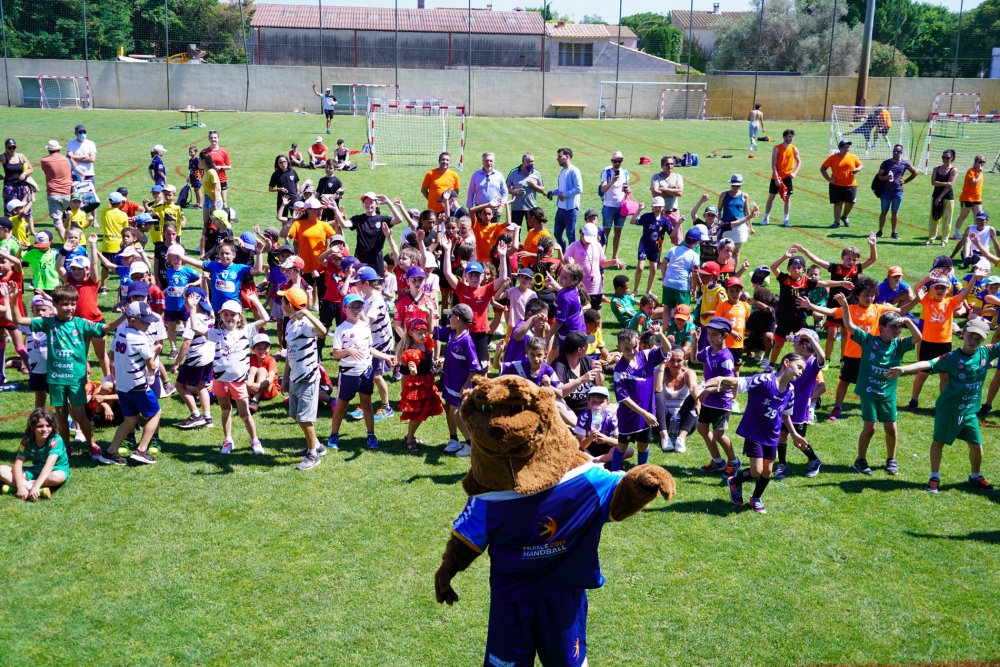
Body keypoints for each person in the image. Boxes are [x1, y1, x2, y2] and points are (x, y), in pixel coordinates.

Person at [3, 282, 121, 452]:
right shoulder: (47, 322)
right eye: (65, 304)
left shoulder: (81, 323)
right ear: (55, 305)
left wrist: (126, 315)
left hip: (76, 379)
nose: (70, 307)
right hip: (56, 379)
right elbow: (17, 320)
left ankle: (92, 444)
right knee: (60, 415)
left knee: (80, 415)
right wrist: (14, 299)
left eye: (73, 304)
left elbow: (107, 327)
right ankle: (66, 447)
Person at [889, 319, 1000, 493]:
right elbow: (929, 363)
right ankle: (934, 476)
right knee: (938, 442)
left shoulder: (986, 353)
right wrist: (904, 369)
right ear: (963, 334)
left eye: (978, 338)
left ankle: (975, 475)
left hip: (969, 411)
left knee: (976, 446)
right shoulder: (952, 358)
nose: (973, 340)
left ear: (984, 340)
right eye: (970, 335)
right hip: (949, 409)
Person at [704, 353, 808, 514]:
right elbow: (741, 382)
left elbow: (785, 414)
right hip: (754, 431)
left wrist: (794, 434)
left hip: (772, 435)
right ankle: (736, 482)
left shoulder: (791, 390)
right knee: (756, 470)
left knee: (767, 471)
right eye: (799, 367)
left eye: (803, 369)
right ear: (786, 362)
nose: (801, 372)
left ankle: (756, 498)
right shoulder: (765, 380)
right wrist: (720, 379)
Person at [188, 297, 270, 455]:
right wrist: (192, 308)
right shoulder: (216, 333)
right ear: (221, 317)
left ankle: (255, 440)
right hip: (220, 381)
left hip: (238, 383)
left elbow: (266, 319)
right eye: (225, 314)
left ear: (239, 316)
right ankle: (228, 440)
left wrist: (255, 301)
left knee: (244, 414)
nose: (229, 317)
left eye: (232, 314)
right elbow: (195, 327)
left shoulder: (246, 331)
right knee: (225, 411)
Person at [900, 267, 985, 410]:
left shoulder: (951, 302)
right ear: (932, 289)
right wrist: (928, 277)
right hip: (927, 343)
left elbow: (964, 294)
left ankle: (943, 403)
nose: (940, 290)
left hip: (944, 344)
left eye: (943, 288)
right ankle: (913, 400)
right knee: (922, 374)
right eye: (937, 287)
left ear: (948, 290)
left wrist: (974, 278)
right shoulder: (927, 301)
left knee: (944, 377)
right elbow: (916, 288)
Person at [789, 236, 877, 362]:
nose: (851, 261)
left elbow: (873, 259)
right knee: (832, 335)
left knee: (846, 334)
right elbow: (818, 261)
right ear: (842, 257)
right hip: (833, 307)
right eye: (848, 258)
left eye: (854, 259)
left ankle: (843, 359)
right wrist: (804, 251)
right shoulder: (836, 268)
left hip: (849, 307)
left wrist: (872, 245)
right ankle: (827, 360)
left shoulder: (856, 269)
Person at [766, 248, 853, 372]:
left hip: (800, 319)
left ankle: (805, 366)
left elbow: (824, 282)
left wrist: (842, 283)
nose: (796, 270)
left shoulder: (806, 281)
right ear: (788, 268)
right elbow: (773, 267)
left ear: (803, 270)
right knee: (779, 344)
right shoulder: (785, 279)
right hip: (784, 318)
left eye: (799, 267)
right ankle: (770, 366)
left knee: (805, 345)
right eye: (793, 267)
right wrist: (784, 256)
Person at [104, 301, 162, 465]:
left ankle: (110, 452)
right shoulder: (141, 339)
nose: (148, 324)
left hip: (122, 385)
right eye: (144, 321)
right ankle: (141, 450)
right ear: (132, 319)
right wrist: (151, 354)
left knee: (130, 419)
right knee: (155, 413)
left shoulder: (120, 333)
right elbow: (151, 367)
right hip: (137, 385)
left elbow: (111, 355)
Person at [277, 286, 328, 469]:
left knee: (304, 418)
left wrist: (307, 313)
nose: (280, 303)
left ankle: (313, 455)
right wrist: (285, 377)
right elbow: (290, 353)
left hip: (308, 378)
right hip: (295, 377)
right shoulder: (290, 323)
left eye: (283, 301)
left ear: (290, 305)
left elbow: (322, 332)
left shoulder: (305, 324)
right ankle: (316, 445)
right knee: (294, 414)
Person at [612, 326, 671, 471]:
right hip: (630, 416)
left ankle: (640, 472)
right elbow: (624, 398)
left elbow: (667, 349)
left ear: (638, 342)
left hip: (647, 413)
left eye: (634, 347)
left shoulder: (645, 356)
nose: (632, 351)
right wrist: (644, 413)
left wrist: (660, 335)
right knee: (622, 445)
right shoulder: (619, 370)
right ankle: (613, 473)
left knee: (643, 445)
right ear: (619, 347)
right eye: (626, 349)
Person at [773, 329, 824, 479]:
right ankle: (782, 464)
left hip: (800, 409)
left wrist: (809, 337)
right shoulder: (790, 360)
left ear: (803, 346)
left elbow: (822, 357)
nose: (793, 345)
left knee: (798, 441)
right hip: (782, 405)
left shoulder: (813, 363)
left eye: (795, 342)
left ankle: (814, 460)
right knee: (781, 436)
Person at [692, 317, 740, 476]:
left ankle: (734, 461)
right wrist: (695, 341)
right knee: (701, 428)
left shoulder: (726, 358)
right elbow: (693, 359)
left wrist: (708, 391)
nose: (710, 338)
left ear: (725, 336)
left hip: (721, 402)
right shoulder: (707, 351)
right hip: (709, 400)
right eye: (709, 334)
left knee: (719, 434)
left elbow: (731, 383)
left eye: (714, 335)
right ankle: (718, 461)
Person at [435, 303, 481, 457]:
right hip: (449, 381)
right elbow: (432, 331)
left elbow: (474, 368)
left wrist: (466, 385)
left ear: (458, 319)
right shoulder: (450, 333)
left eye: (451, 315)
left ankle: (470, 443)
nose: (449, 318)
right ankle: (454, 440)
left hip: (460, 385)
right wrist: (430, 312)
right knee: (448, 409)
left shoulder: (466, 341)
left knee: (455, 413)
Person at [396, 317, 443, 452]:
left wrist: (435, 364)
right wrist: (413, 368)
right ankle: (409, 440)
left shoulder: (425, 344)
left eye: (424, 332)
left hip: (427, 382)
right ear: (411, 333)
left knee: (423, 412)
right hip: (417, 385)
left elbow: (432, 330)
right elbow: (412, 367)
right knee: (417, 414)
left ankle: (409, 436)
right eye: (419, 333)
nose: (423, 335)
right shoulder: (411, 351)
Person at [0, 408, 68, 500]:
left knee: (58, 477)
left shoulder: (56, 440)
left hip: (55, 470)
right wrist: (20, 487)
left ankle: (24, 487)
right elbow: (18, 463)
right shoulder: (26, 440)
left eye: (48, 425)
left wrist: (36, 486)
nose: (45, 429)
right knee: (1, 470)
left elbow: (49, 466)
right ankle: (28, 487)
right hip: (36, 469)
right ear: (32, 427)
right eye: (40, 426)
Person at [173, 286, 216, 429]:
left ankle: (195, 415)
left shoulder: (193, 319)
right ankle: (208, 418)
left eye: (186, 301)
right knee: (201, 386)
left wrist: (177, 363)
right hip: (209, 357)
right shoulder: (210, 315)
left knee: (179, 386)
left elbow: (186, 343)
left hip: (196, 358)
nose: (184, 304)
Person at [335, 192, 402, 276]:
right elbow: (344, 224)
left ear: (377, 204)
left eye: (371, 202)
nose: (368, 205)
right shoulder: (358, 219)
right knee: (359, 282)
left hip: (376, 257)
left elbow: (399, 219)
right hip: (361, 256)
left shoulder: (382, 219)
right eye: (366, 202)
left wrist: (389, 202)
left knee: (377, 283)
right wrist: (335, 210)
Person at [564, 222, 623, 311]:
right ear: (581, 233)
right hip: (579, 287)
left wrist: (614, 261)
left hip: (595, 287)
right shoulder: (573, 246)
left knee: (596, 316)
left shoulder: (597, 245)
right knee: (578, 314)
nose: (589, 242)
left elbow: (602, 263)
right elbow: (565, 264)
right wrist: (570, 265)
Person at [656, 344, 699, 453]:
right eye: (671, 360)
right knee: (656, 395)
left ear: (684, 360)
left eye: (679, 360)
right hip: (663, 419)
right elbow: (657, 388)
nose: (675, 364)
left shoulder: (688, 373)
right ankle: (664, 437)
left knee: (694, 398)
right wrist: (662, 364)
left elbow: (694, 388)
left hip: (684, 419)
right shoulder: (660, 372)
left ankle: (681, 438)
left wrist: (698, 402)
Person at [575, 386, 627, 467]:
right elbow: (581, 446)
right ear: (588, 403)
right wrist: (591, 437)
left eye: (601, 402)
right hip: (588, 448)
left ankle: (594, 462)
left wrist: (606, 439)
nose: (597, 405)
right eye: (593, 402)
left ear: (607, 404)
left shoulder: (611, 417)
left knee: (629, 450)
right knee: (576, 452)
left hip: (605, 448)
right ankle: (602, 463)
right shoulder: (583, 417)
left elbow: (621, 442)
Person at [875, 144, 918, 240]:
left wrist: (905, 181)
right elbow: (879, 176)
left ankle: (894, 232)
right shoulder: (886, 163)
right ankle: (880, 231)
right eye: (894, 151)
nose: (895, 153)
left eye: (898, 151)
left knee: (895, 212)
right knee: (884, 212)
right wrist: (886, 177)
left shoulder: (904, 163)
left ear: (901, 153)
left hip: (898, 191)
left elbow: (915, 172)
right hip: (886, 191)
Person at [660, 228, 702, 319]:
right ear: (697, 242)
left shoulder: (674, 249)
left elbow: (663, 264)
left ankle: (665, 331)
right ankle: (681, 332)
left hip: (668, 283)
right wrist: (694, 290)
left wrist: (664, 279)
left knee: (667, 307)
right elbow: (695, 274)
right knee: (684, 309)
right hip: (682, 285)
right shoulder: (694, 256)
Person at [762, 129, 800, 227]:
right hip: (776, 177)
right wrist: (776, 178)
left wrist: (795, 173)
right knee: (771, 197)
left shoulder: (794, 149)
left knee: (787, 198)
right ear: (784, 137)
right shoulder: (777, 148)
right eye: (789, 137)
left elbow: (799, 162)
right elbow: (773, 165)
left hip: (787, 177)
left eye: (792, 137)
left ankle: (786, 220)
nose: (791, 139)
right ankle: (766, 217)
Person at [821, 140, 863, 229]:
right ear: (840, 148)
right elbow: (823, 168)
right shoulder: (833, 158)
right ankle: (836, 222)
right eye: (845, 147)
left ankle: (844, 216)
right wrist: (829, 179)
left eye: (848, 147)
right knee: (837, 203)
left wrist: (857, 169)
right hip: (836, 185)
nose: (847, 149)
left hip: (851, 184)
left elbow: (860, 165)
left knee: (850, 203)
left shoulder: (853, 157)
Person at [599, 151, 631, 259]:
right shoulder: (606, 172)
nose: (617, 163)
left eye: (619, 161)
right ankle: (602, 256)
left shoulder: (625, 172)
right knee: (605, 233)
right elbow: (603, 189)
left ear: (622, 161)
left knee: (618, 232)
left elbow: (628, 188)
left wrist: (627, 189)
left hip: (621, 207)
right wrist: (612, 181)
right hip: (608, 206)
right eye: (615, 161)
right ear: (611, 161)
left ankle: (614, 257)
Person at [39, 140, 73, 233]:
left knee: (58, 222)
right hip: (68, 192)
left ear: (49, 150)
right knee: (72, 218)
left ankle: (64, 241)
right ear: (59, 149)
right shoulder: (68, 159)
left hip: (53, 193)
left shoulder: (44, 160)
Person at [552, 147, 582, 250]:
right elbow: (562, 189)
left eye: (560, 156)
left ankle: (572, 259)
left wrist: (564, 195)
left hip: (571, 210)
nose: (557, 159)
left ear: (567, 157)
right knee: (557, 233)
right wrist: (553, 192)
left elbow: (579, 189)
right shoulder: (562, 171)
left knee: (571, 236)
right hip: (560, 208)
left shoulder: (574, 171)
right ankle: (564, 254)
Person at [952, 154, 986, 241]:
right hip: (967, 198)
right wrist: (980, 173)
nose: (982, 164)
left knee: (978, 217)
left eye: (983, 162)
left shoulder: (979, 172)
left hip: (977, 198)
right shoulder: (971, 171)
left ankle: (977, 235)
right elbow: (975, 183)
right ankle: (956, 234)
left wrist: (980, 172)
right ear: (976, 162)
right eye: (980, 162)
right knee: (963, 216)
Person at [505, 153, 544, 227]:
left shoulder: (536, 173)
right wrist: (515, 191)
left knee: (532, 231)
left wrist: (534, 186)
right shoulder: (514, 172)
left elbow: (542, 190)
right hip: (516, 208)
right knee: (515, 231)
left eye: (533, 161)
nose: (532, 164)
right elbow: (505, 188)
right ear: (523, 161)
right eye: (529, 161)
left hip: (531, 208)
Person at [928, 148, 957, 246]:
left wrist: (940, 197)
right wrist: (945, 183)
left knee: (947, 219)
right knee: (934, 218)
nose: (945, 159)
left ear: (952, 158)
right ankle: (931, 238)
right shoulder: (936, 168)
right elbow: (933, 182)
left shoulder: (953, 170)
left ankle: (944, 241)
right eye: (943, 157)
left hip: (948, 197)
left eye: (947, 157)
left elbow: (950, 186)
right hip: (935, 195)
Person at [649, 155, 684, 237]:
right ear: (662, 166)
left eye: (672, 164)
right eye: (667, 164)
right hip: (659, 213)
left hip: (673, 212)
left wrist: (663, 189)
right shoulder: (656, 177)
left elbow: (679, 193)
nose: (670, 166)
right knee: (656, 240)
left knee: (678, 240)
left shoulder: (678, 177)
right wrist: (672, 190)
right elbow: (655, 194)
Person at [204, 130, 232, 207]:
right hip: (209, 180)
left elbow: (229, 166)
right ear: (208, 139)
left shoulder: (223, 152)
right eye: (211, 138)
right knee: (211, 202)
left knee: (224, 202)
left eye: (215, 138)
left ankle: (225, 218)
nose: (213, 139)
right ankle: (211, 219)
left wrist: (221, 167)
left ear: (218, 139)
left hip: (221, 179)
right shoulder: (205, 151)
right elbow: (200, 165)